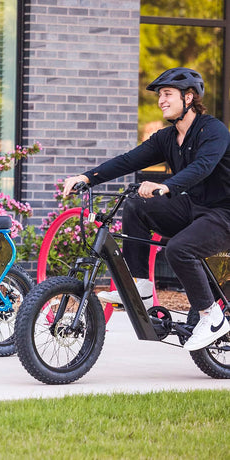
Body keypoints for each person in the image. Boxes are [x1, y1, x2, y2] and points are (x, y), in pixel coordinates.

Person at [62, 67, 230, 351]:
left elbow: (203, 167)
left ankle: (211, 317)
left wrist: (166, 187)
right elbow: (128, 160)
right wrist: (87, 177)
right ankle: (140, 285)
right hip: (194, 206)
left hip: (223, 213)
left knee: (179, 249)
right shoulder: (167, 137)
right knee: (136, 206)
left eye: (167, 94)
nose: (161, 100)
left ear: (188, 98)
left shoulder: (212, 130)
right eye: (160, 96)